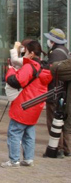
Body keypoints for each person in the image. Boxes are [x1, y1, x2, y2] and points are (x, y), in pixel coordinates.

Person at [1, 41, 52, 168]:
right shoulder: (44, 68)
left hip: (24, 103)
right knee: (29, 132)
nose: (25, 53)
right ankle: (28, 159)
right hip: (36, 104)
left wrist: (11, 70)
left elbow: (17, 81)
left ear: (32, 53)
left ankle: (14, 160)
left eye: (26, 51)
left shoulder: (30, 67)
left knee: (14, 132)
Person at [44, 28, 70, 158]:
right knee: (64, 122)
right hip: (63, 92)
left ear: (53, 40)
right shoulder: (65, 51)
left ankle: (56, 148)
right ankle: (66, 148)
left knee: (53, 121)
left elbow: (50, 73)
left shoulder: (55, 53)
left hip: (54, 92)